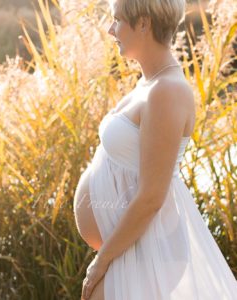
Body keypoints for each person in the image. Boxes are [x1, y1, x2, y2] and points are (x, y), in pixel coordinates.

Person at [79, 0, 237, 299]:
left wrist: (101, 262)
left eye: (117, 20)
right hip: (134, 244)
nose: (111, 29)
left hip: (150, 244)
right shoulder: (150, 83)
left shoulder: (168, 91)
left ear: (143, 23)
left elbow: (152, 196)